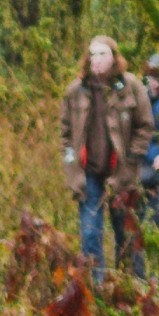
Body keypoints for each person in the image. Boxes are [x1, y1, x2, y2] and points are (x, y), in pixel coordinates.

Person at [59, 23, 133, 285]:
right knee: (90, 233)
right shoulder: (74, 91)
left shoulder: (130, 87)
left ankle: (130, 288)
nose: (96, 60)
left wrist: (133, 160)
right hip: (87, 173)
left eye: (102, 54)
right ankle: (95, 290)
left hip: (120, 173)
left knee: (126, 233)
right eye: (92, 54)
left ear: (114, 58)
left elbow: (145, 127)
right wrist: (71, 168)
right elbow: (65, 135)